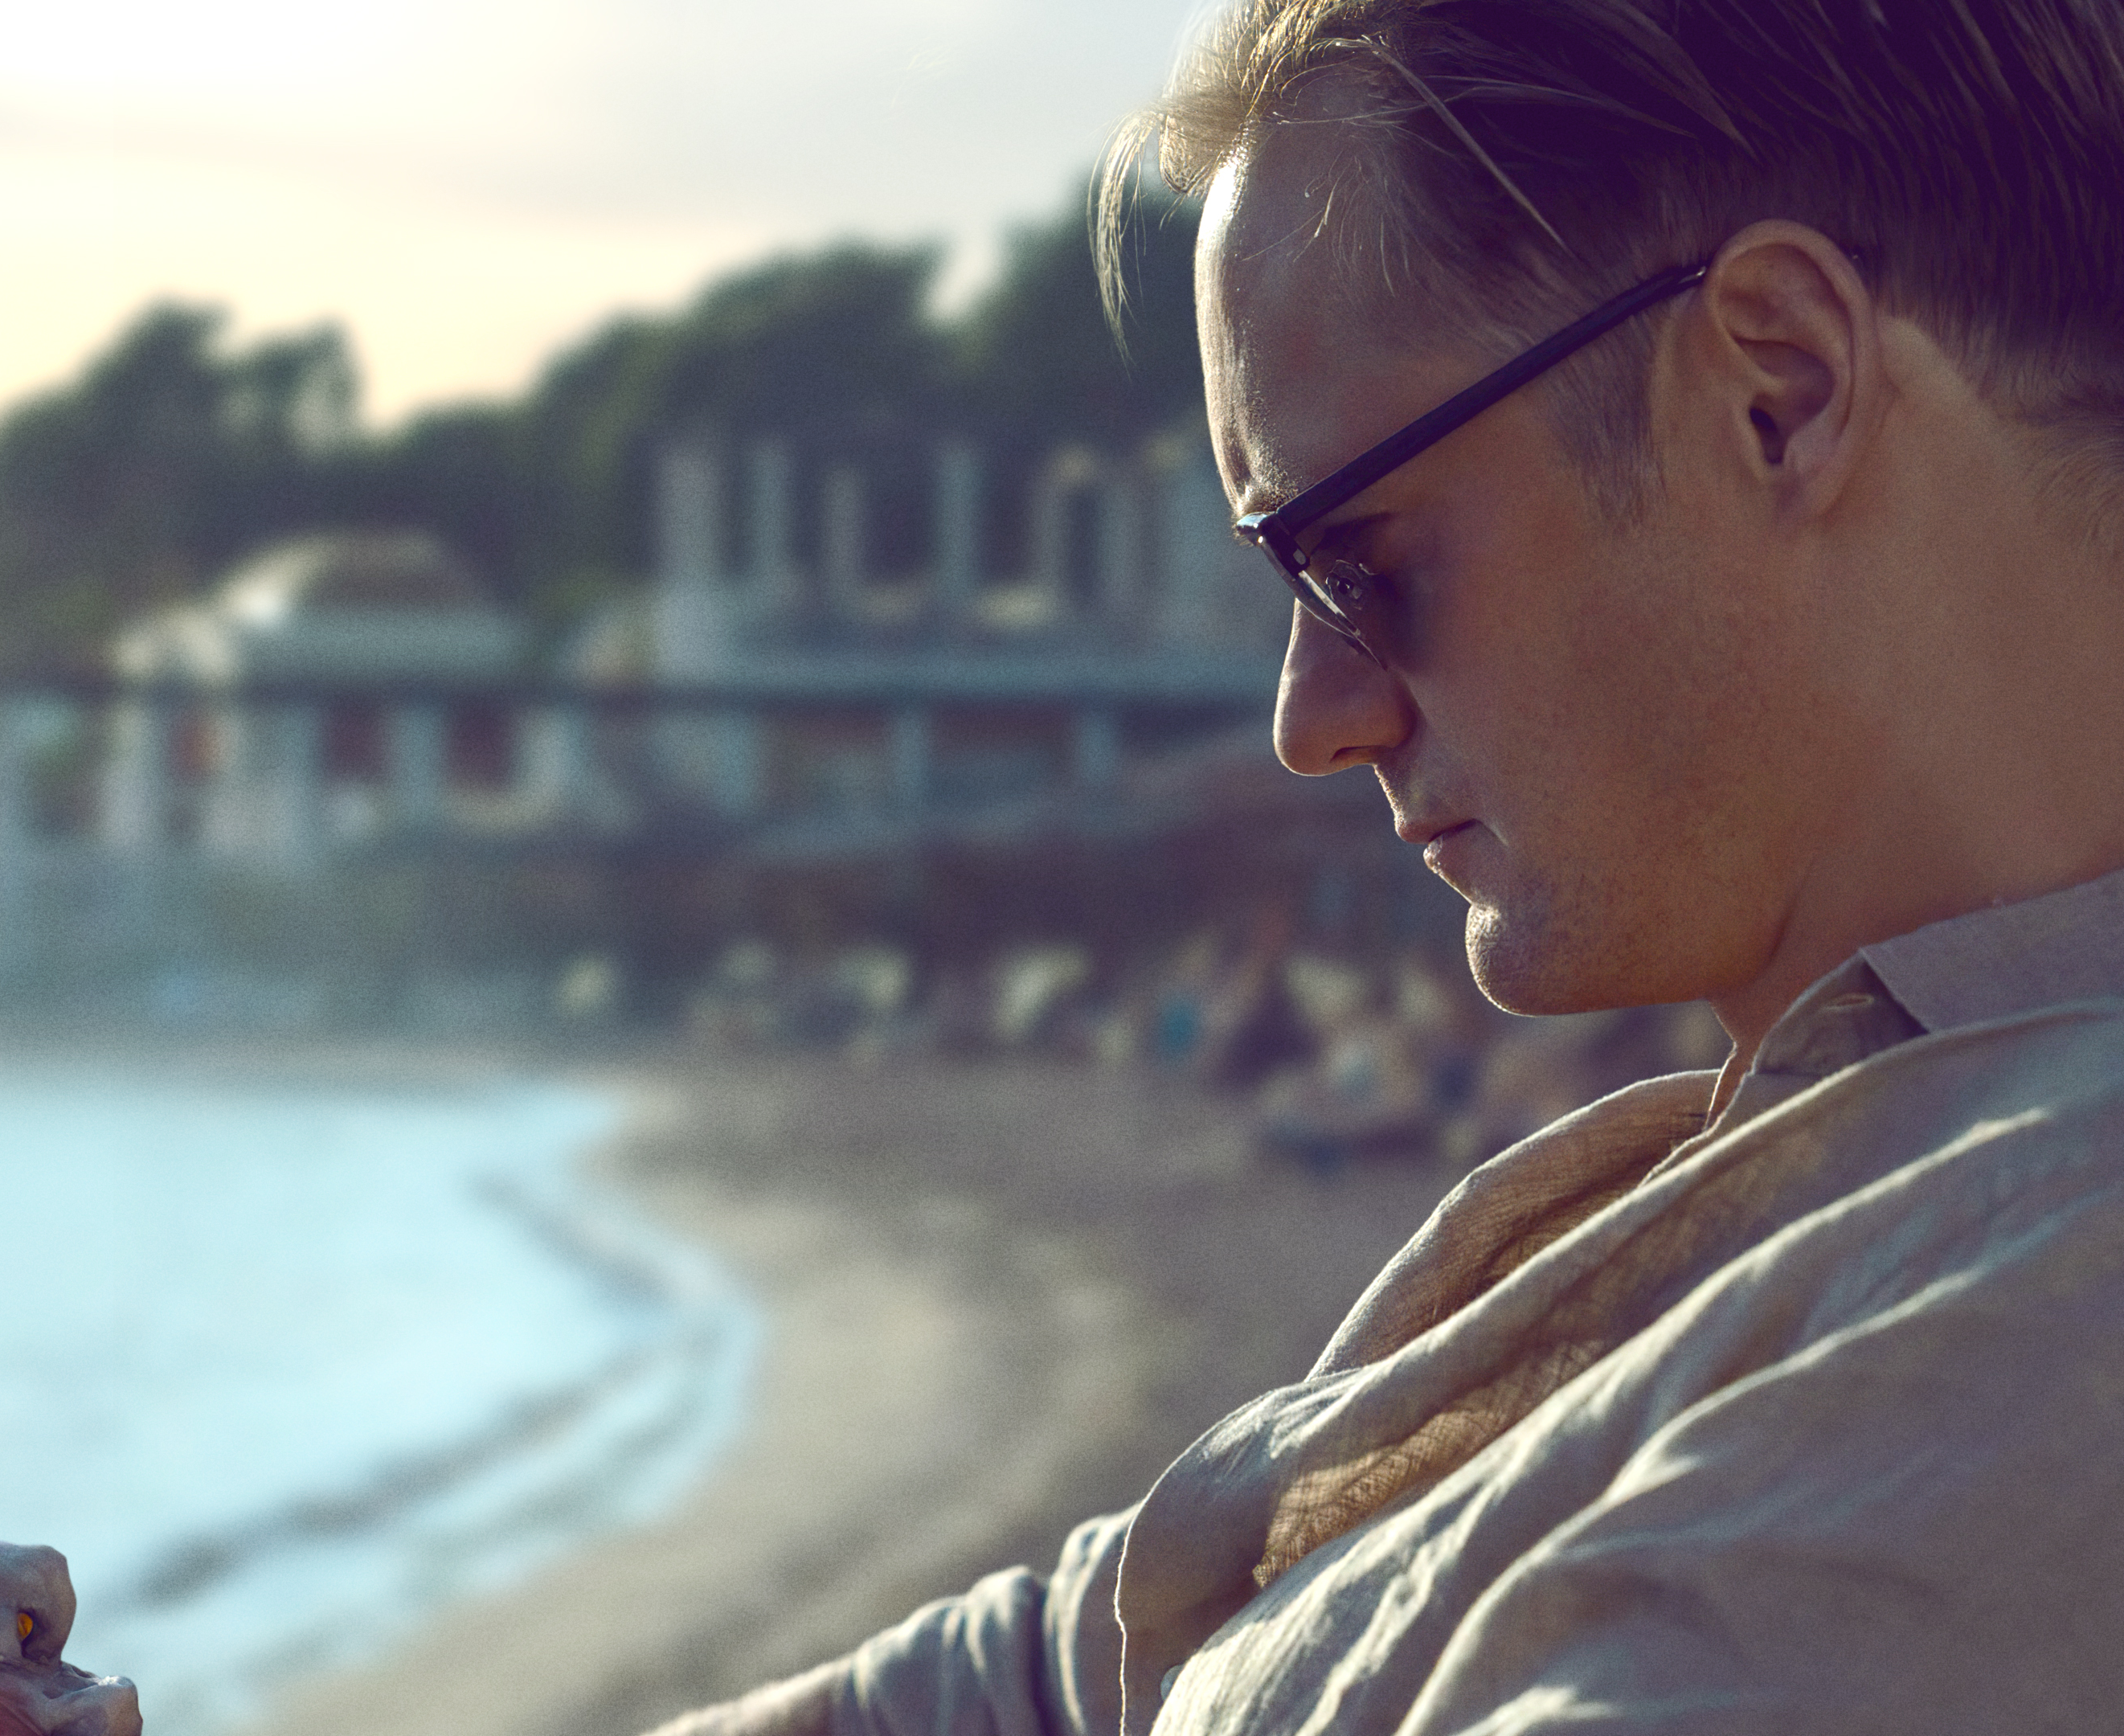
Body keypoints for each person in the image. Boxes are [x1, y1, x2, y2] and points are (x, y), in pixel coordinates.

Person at [646, 0, 2124, 1730]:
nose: (1311, 718)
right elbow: (1077, 1659)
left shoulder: (1995, 1379)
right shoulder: (1858, 1158)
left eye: (1356, 555)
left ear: (1778, 391)